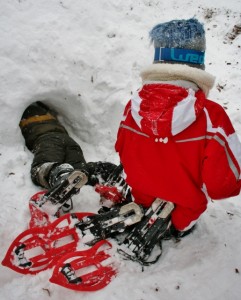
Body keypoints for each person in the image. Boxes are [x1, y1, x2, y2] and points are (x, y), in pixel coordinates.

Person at [114, 18, 241, 237]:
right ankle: (178, 229)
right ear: (198, 62)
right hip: (184, 212)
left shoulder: (132, 107)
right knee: (188, 209)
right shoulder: (212, 117)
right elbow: (223, 185)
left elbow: (122, 151)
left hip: (141, 198)